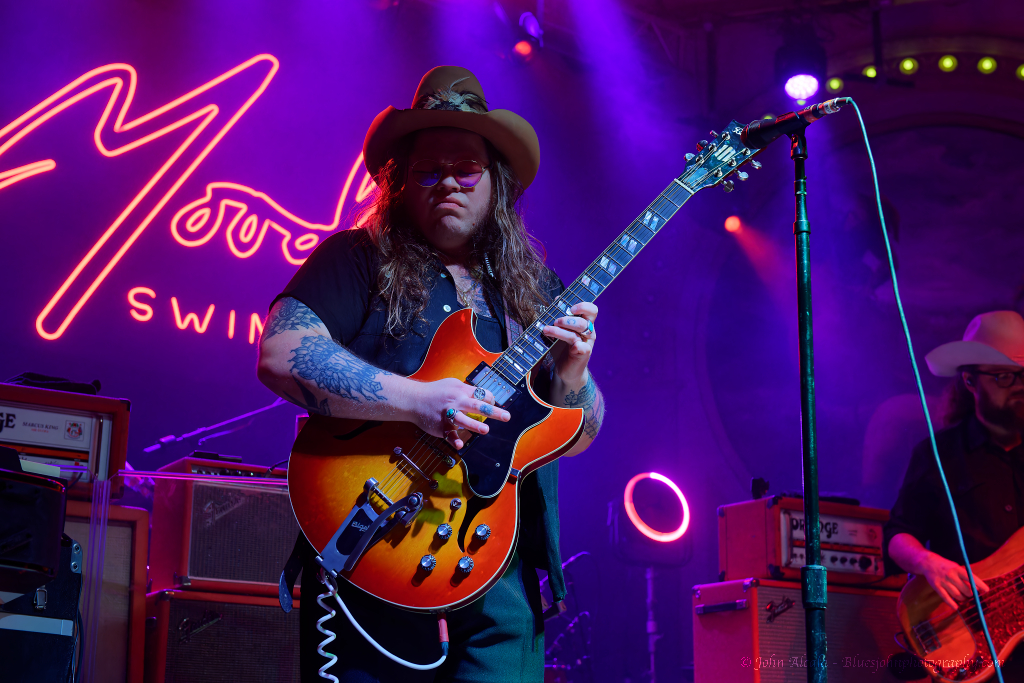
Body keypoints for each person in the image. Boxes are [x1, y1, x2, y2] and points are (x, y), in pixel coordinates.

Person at [257, 66, 605, 683]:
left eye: (466, 167)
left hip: (500, 574)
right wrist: (419, 402)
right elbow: (283, 355)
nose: (448, 181)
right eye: (428, 169)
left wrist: (573, 376)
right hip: (377, 550)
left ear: (495, 182)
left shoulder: (534, 294)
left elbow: (580, 434)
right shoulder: (355, 260)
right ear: (400, 184)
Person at [885, 311, 1024, 666]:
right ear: (970, 381)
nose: (1020, 385)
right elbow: (898, 536)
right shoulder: (939, 454)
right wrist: (928, 563)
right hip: (966, 633)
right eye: (1006, 376)